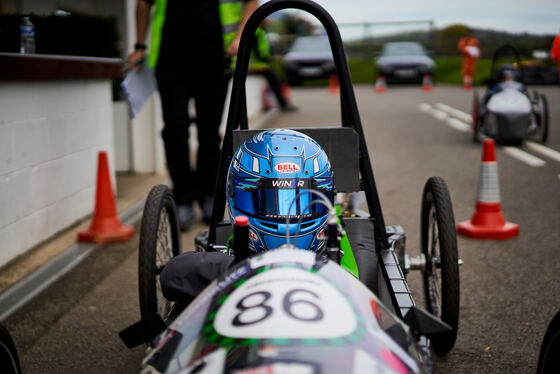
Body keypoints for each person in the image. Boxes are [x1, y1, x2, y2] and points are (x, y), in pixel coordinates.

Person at [160, 129, 334, 307]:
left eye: (305, 201)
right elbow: (173, 273)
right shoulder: (227, 262)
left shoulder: (345, 258)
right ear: (234, 197)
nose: (286, 219)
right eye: (268, 203)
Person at [127, 0, 258, 230]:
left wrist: (240, 36)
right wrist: (139, 45)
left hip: (216, 59)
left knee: (209, 132)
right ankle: (183, 198)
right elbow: (142, 4)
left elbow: (252, 2)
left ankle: (209, 195)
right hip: (170, 61)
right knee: (175, 128)